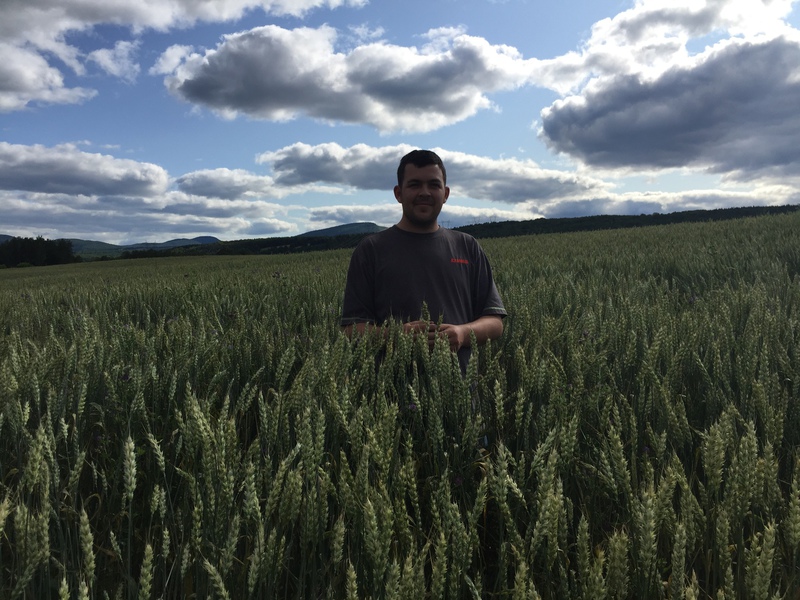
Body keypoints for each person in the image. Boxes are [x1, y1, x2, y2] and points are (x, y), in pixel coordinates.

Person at [341, 149, 506, 372]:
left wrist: (462, 333)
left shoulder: (467, 246)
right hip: (390, 389)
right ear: (398, 193)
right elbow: (350, 330)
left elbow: (495, 322)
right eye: (414, 185)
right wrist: (396, 336)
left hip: (460, 389)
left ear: (445, 193)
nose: (425, 192)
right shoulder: (371, 250)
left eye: (434, 185)